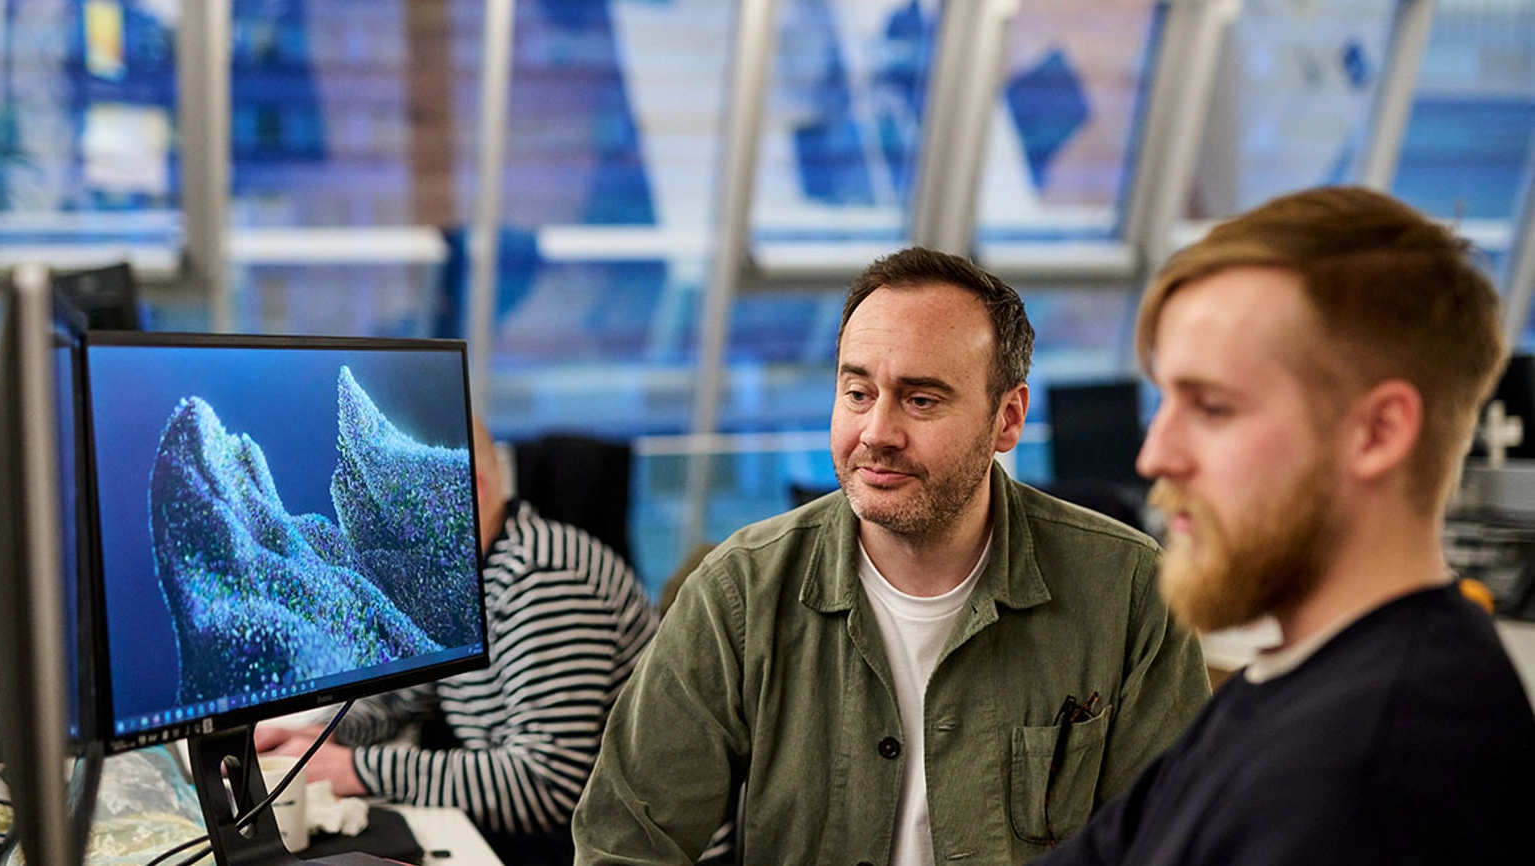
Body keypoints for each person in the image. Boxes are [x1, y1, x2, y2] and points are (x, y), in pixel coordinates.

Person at [572, 247, 1211, 864]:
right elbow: (625, 844)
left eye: (921, 399)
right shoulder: (738, 593)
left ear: (1007, 419)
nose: (877, 432)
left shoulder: (1127, 589)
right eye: (857, 393)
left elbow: (1175, 844)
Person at [1032, 185, 1535, 865]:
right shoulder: (1294, 682)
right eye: (1165, 401)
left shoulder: (1373, 773)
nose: (1155, 455)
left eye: (1212, 407)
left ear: (1378, 432)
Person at [258, 416, 658, 866]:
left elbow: (546, 783)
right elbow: (405, 699)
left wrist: (355, 770)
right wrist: (312, 738)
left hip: (596, 846)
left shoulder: (544, 577)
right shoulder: (463, 583)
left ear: (468, 491)